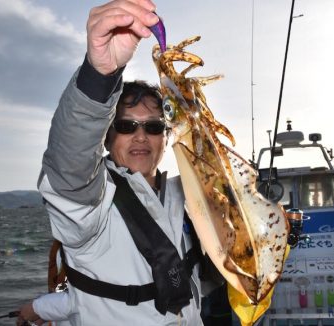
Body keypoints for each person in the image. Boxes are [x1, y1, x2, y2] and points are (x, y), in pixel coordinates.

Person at [17, 0, 218, 325]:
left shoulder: (187, 195)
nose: (141, 136)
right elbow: (70, 169)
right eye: (126, 126)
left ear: (166, 138)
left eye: (153, 127)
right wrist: (99, 76)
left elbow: (206, 273)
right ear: (107, 138)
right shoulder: (91, 202)